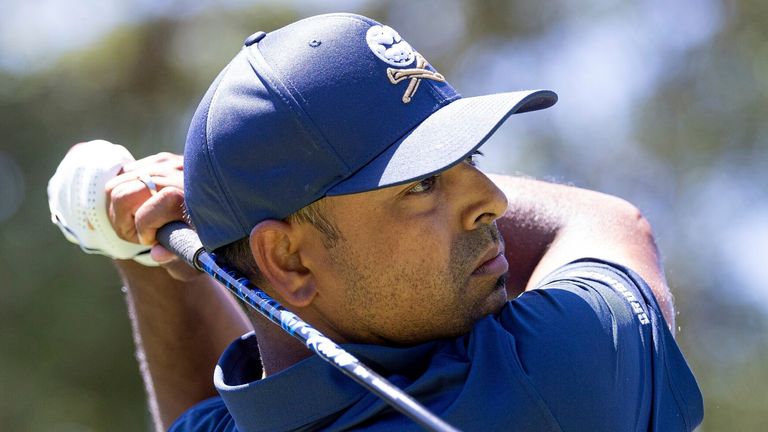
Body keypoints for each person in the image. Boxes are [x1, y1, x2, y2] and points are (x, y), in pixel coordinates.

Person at [49, 13, 703, 432]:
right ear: (289, 260)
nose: (491, 201)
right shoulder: (557, 373)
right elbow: (610, 223)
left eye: (469, 159)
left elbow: (200, 415)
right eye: (422, 182)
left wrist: (151, 252)